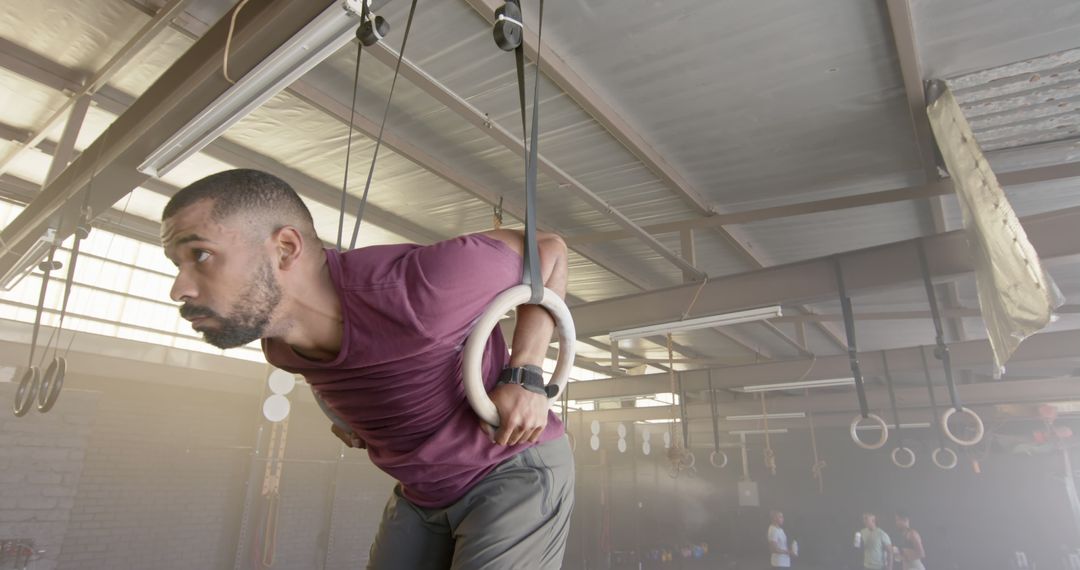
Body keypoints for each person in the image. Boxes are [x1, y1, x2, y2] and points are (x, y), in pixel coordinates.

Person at [160, 169, 574, 569]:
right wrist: (350, 415)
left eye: (201, 255)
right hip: (422, 491)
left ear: (285, 248)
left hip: (509, 465)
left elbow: (549, 250)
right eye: (175, 264)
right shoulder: (280, 347)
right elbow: (356, 366)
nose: (179, 289)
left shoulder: (421, 289)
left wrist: (526, 375)